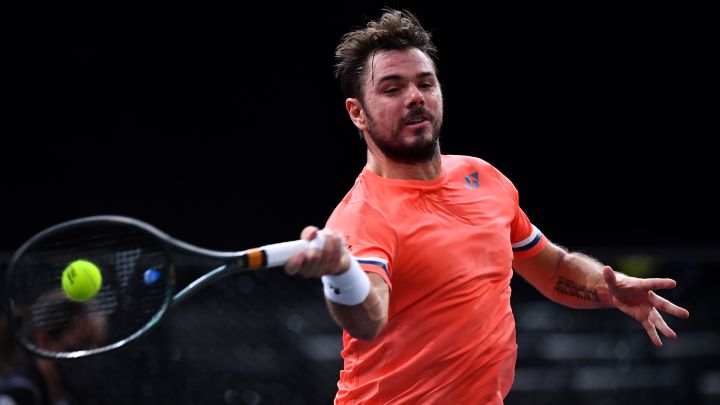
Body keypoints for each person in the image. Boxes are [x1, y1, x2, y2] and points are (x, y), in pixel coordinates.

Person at [283, 8, 690, 404]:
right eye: (392, 89)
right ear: (357, 113)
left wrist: (608, 288)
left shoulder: (483, 178)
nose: (414, 98)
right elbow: (367, 319)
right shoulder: (363, 216)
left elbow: (553, 269)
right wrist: (339, 275)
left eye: (425, 84)